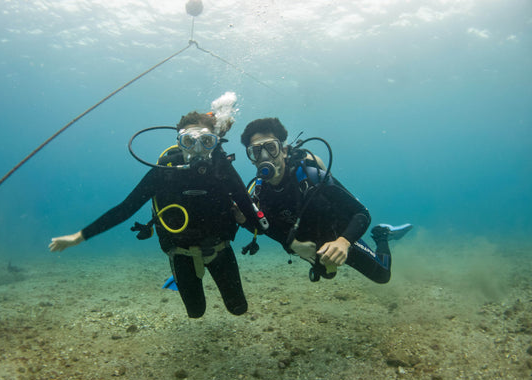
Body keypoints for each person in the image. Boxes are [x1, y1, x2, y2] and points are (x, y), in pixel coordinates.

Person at [49, 106, 263, 318]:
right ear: (179, 143)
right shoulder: (165, 171)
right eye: (189, 141)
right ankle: (180, 276)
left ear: (214, 143)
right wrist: (79, 237)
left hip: (220, 248)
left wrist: (275, 234)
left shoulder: (222, 169)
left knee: (239, 309)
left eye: (206, 142)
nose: (197, 150)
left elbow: (249, 210)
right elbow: (126, 208)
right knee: (196, 312)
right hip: (181, 252)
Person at [240, 117, 412, 283]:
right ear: (251, 159)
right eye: (256, 151)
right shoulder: (260, 193)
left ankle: (381, 234)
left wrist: (343, 242)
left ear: (283, 150)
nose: (265, 156)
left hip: (338, 234)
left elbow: (361, 213)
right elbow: (265, 227)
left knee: (382, 276)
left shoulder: (312, 178)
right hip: (310, 242)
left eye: (271, 147)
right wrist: (292, 243)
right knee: (327, 273)